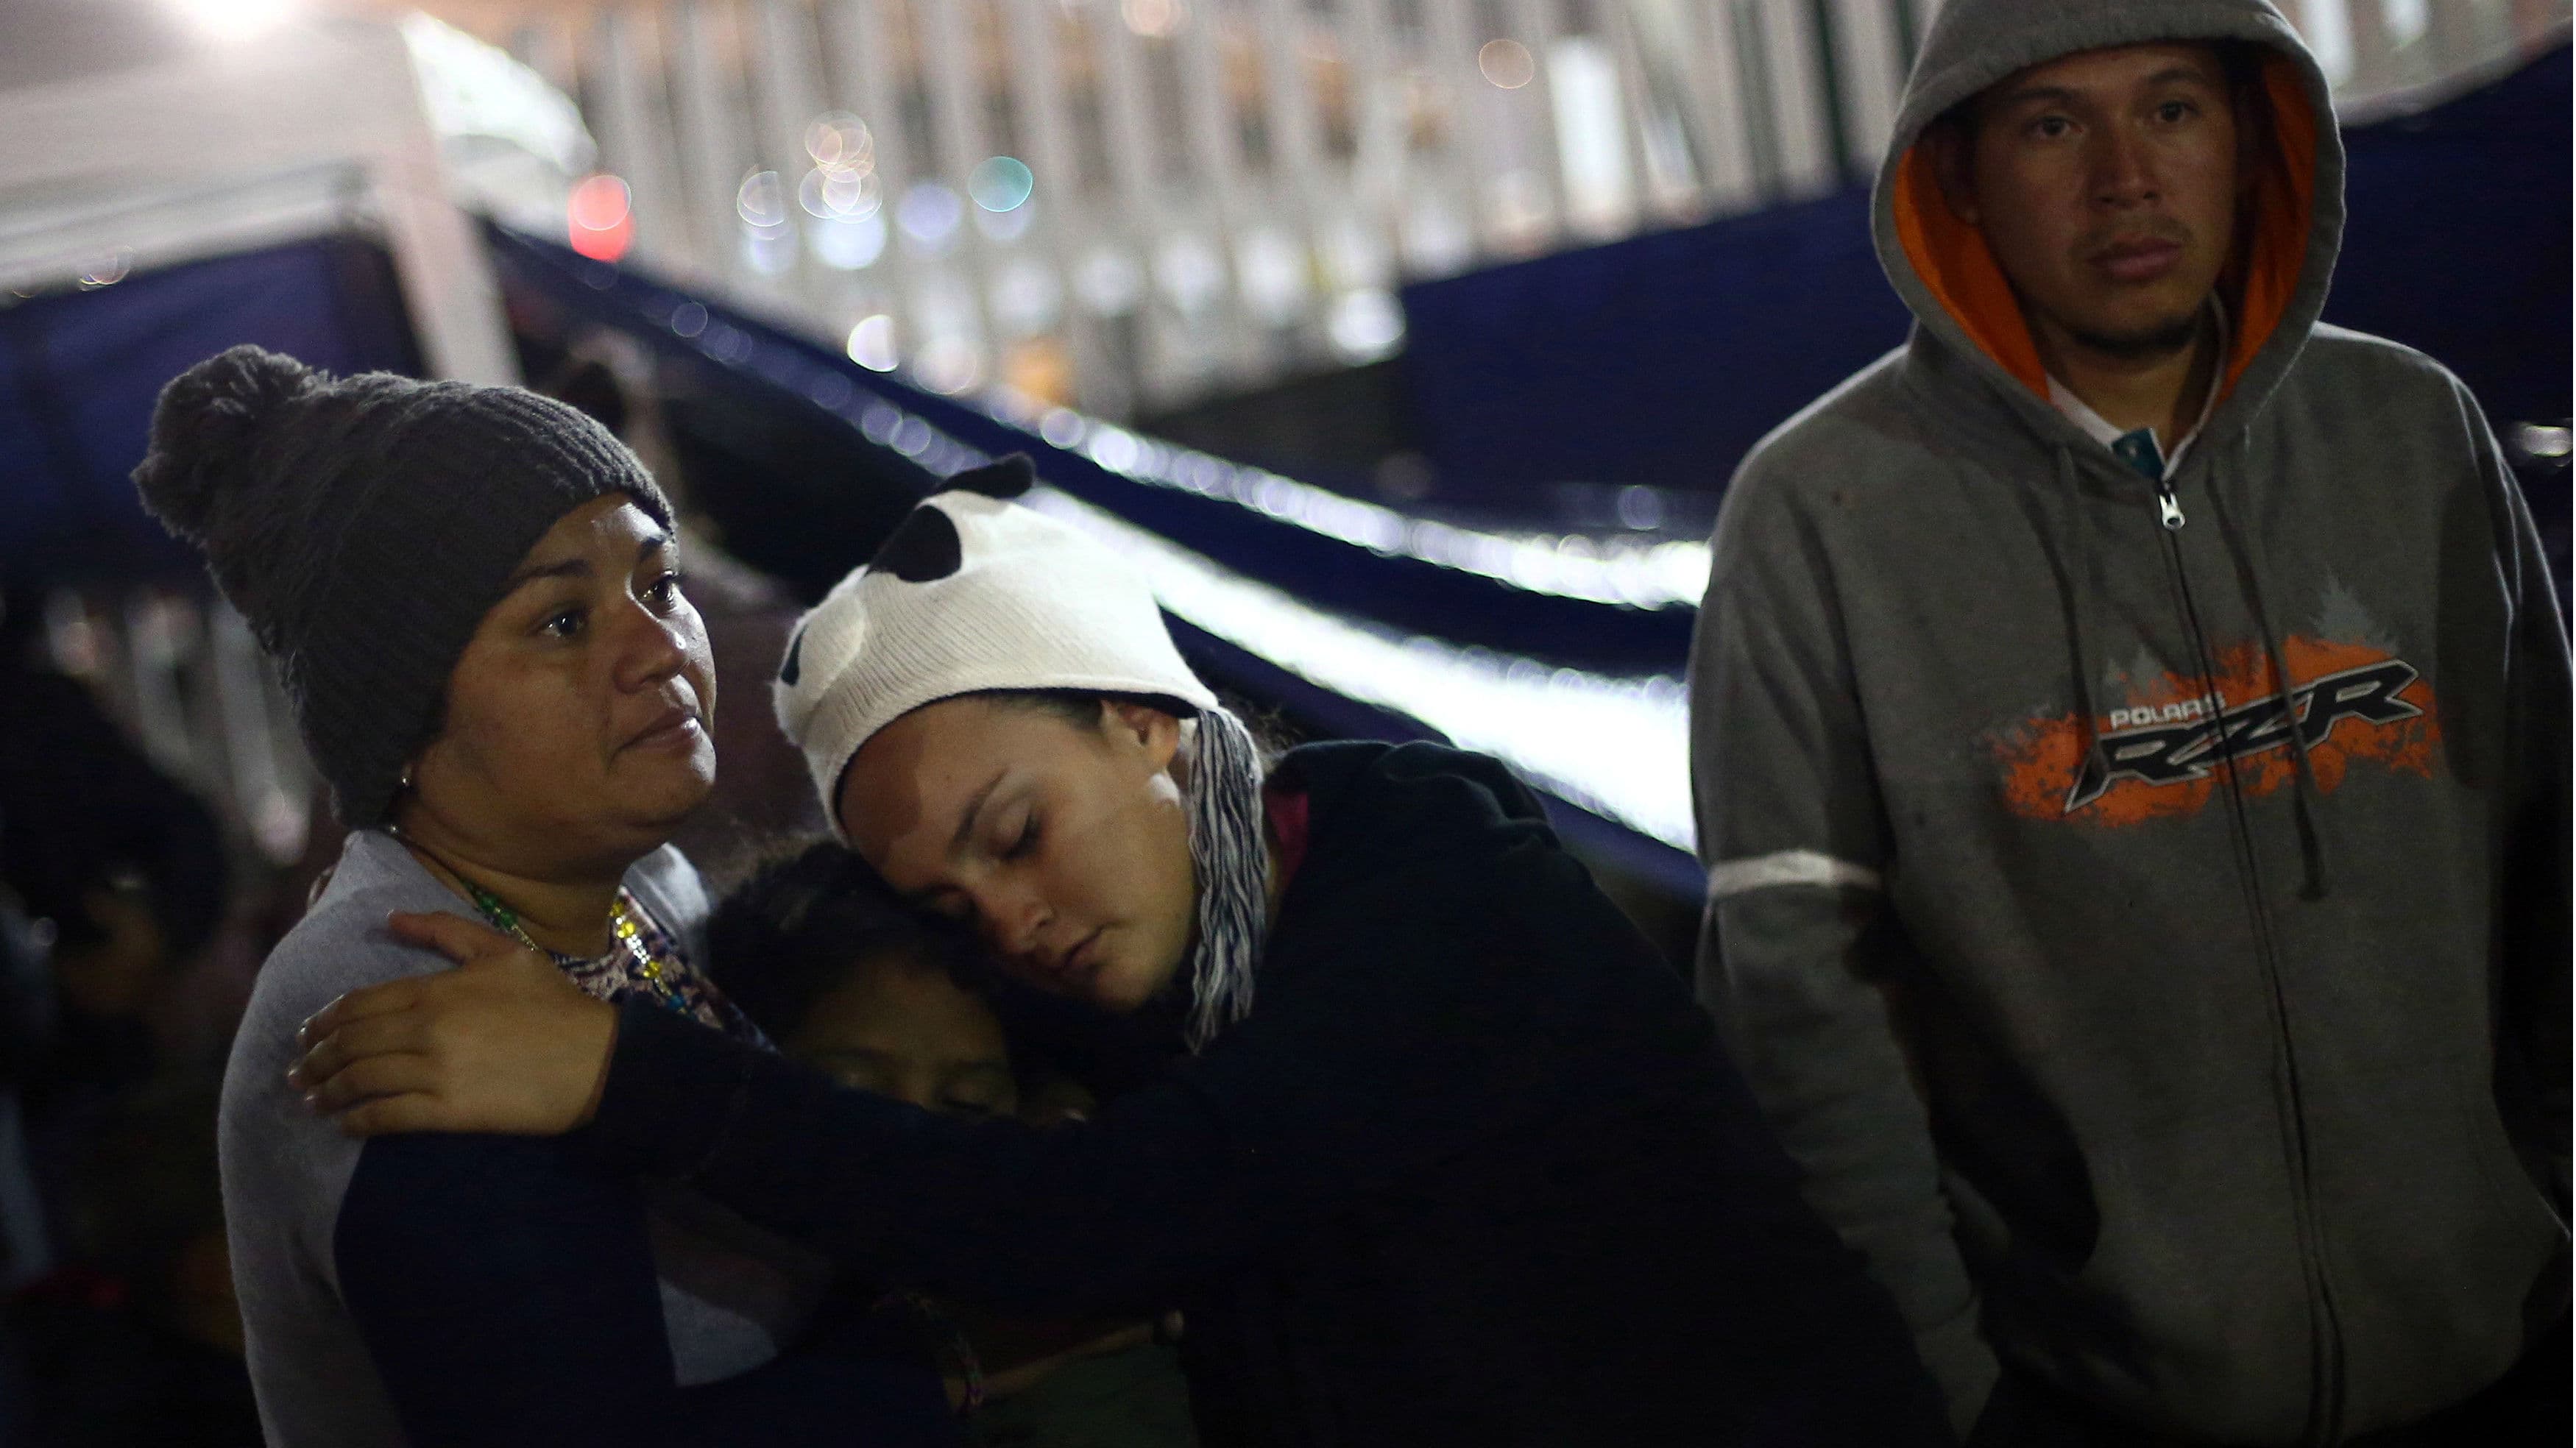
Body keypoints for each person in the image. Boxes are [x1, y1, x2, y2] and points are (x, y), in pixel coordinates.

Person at [289, 455, 1952, 1446]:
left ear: (1152, 723)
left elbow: (1096, 1221)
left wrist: (616, 1072)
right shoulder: (1130, 1015)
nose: (1009, 919)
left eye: (1014, 832)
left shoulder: (1437, 889)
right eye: (946, 904)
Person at [1683, 1, 2570, 1444]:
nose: (2125, 177)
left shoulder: (2413, 435)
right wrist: (1954, 1399)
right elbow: (1802, 1019)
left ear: (2252, 138)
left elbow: (2560, 865)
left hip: (2511, 1361)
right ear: (1957, 172)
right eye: (2051, 124)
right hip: (2083, 1405)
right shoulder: (1820, 517)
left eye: (2171, 109)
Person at [132, 344, 957, 1448]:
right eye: (562, 623)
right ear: (403, 720)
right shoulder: (391, 997)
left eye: (659, 585)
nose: (660, 646)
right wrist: (942, 1370)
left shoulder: (639, 889)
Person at [707, 840, 1200, 1448]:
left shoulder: (1090, 1329)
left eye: (966, 1106)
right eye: (853, 1099)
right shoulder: (710, 1305)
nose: (910, 1145)